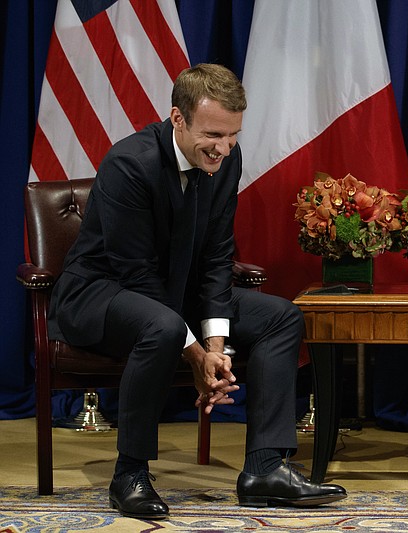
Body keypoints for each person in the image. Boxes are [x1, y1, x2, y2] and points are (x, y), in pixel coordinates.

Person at [48, 63, 347, 520]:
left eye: (233, 136)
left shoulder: (225, 160)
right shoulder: (129, 164)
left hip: (173, 293)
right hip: (100, 294)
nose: (224, 148)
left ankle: (265, 468)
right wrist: (196, 355)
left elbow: (215, 257)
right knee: (162, 324)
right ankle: (129, 475)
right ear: (177, 118)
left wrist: (216, 346)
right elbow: (136, 274)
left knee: (281, 316)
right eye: (213, 134)